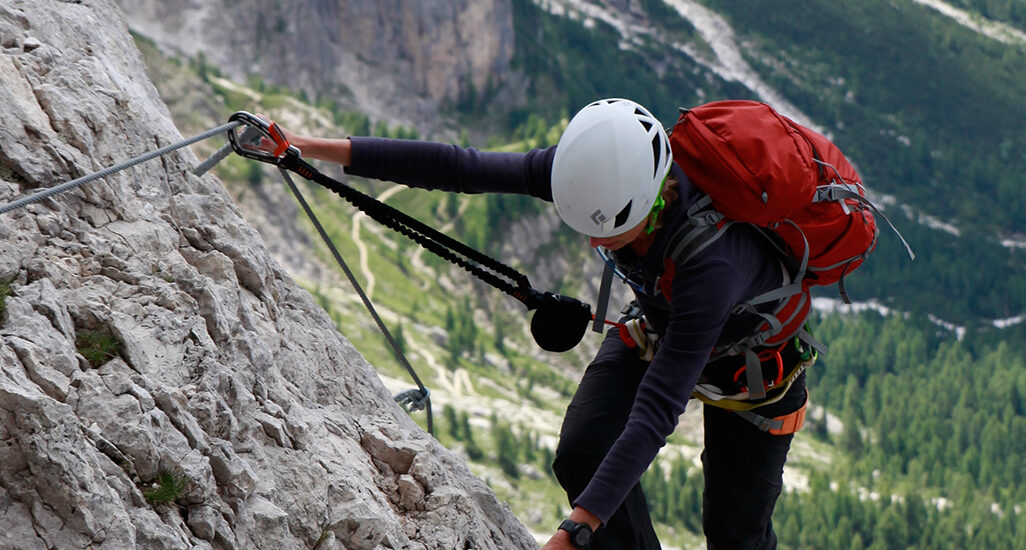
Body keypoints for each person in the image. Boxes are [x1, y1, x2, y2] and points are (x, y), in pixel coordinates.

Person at [279, 98, 815, 550]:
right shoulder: (600, 173)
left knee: (736, 535)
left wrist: (575, 531)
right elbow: (462, 168)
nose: (592, 244)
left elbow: (656, 412)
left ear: (646, 206)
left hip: (757, 378)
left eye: (605, 235)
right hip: (657, 327)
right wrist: (306, 148)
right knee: (584, 453)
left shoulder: (710, 265)